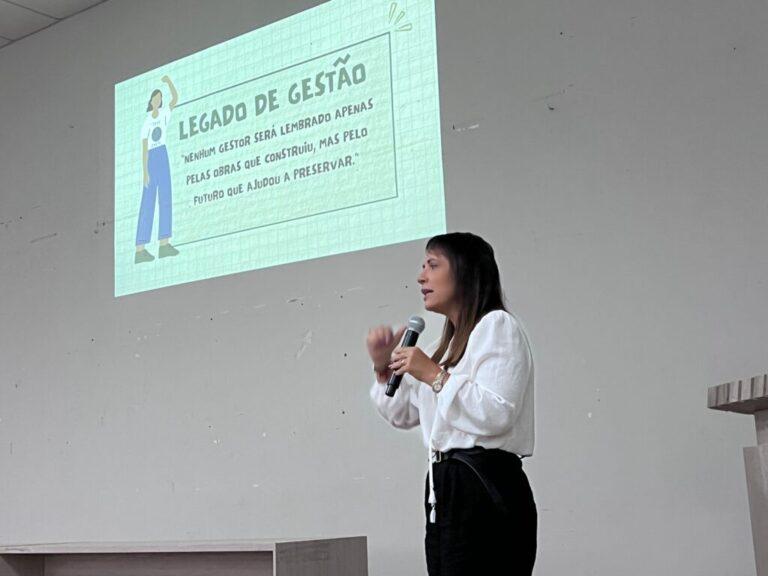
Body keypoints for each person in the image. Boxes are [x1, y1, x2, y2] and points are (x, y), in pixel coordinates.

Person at [367, 232, 537, 576]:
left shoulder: (497, 326)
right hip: (444, 487)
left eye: (432, 265)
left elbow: (497, 414)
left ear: (464, 271)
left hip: (484, 486)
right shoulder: (440, 347)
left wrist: (432, 374)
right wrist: (384, 369)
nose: (421, 276)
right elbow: (404, 413)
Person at [135, 75, 180, 264]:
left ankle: (164, 244)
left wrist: (169, 81)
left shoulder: (163, 114)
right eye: (156, 97)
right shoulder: (147, 121)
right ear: (150, 100)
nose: (158, 100)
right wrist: (145, 171)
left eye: (160, 98)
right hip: (151, 157)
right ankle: (140, 248)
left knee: (166, 198)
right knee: (147, 203)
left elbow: (175, 99)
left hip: (162, 153)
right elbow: (144, 147)